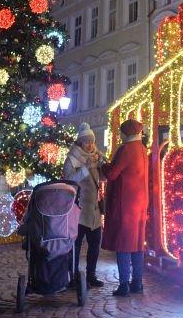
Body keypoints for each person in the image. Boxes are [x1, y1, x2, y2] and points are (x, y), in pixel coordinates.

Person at [101, 118, 148, 297]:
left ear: (126, 133)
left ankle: (124, 284)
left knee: (123, 244)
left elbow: (113, 174)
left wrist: (102, 165)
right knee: (137, 244)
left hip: (125, 202)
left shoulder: (126, 149)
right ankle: (137, 282)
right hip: (140, 203)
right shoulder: (143, 149)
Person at [62, 123, 105, 288]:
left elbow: (101, 179)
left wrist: (102, 167)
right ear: (79, 143)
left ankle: (91, 275)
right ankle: (72, 277)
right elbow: (69, 180)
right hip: (77, 211)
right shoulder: (72, 158)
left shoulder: (95, 157)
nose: (90, 144)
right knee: (75, 247)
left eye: (91, 141)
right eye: (86, 141)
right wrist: (85, 168)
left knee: (95, 246)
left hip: (93, 211)